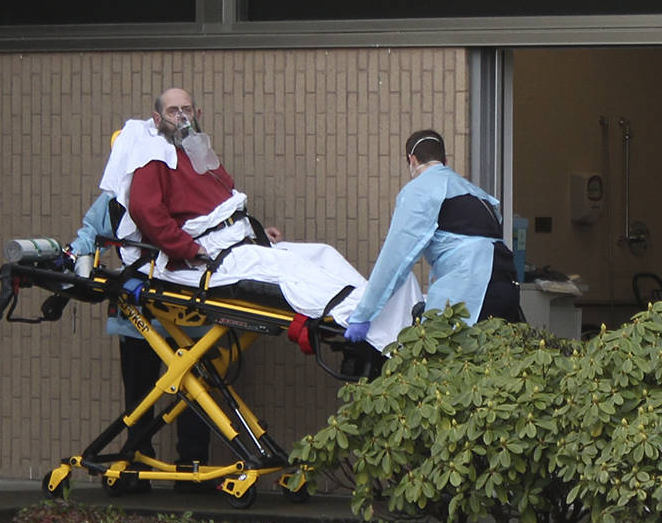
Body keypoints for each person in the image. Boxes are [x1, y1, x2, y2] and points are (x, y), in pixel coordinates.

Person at [101, 87, 420, 353]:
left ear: (199, 114)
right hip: (204, 259)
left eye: (188, 109)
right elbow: (147, 214)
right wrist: (189, 250)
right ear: (157, 119)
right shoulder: (154, 156)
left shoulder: (194, 153)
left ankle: (374, 306)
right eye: (173, 111)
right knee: (294, 272)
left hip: (233, 243)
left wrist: (252, 232)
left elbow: (218, 208)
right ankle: (369, 321)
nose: (183, 117)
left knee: (321, 253)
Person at [67, 191, 211, 493]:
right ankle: (141, 462)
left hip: (183, 311)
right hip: (144, 314)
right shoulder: (115, 201)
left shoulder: (185, 190)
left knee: (190, 394)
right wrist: (72, 258)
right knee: (143, 394)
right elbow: (90, 235)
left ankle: (188, 465)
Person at [342, 130, 522, 343]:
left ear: (412, 159)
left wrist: (364, 314)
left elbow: (395, 260)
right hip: (506, 282)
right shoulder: (478, 194)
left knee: (444, 365)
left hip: (472, 289)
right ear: (444, 160)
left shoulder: (419, 190)